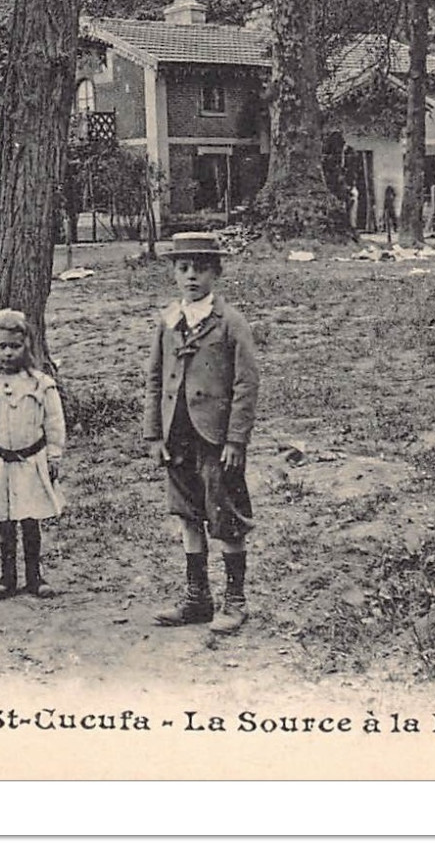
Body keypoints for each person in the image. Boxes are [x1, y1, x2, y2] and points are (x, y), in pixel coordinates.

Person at [144, 231, 259, 634]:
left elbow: (246, 383)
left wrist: (236, 439)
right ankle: (197, 599)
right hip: (177, 436)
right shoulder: (168, 321)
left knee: (226, 517)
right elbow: (156, 379)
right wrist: (154, 435)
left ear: (217, 273)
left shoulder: (230, 323)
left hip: (215, 438)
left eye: (201, 269)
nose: (192, 276)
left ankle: (235, 600)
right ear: (175, 273)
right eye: (184, 268)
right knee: (188, 515)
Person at [0, 308, 66, 600]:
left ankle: (35, 577)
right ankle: (7, 577)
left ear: (27, 348)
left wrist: (54, 455)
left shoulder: (41, 384)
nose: (8, 353)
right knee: (5, 522)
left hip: (31, 463)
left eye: (15, 346)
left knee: (31, 520)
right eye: (2, 347)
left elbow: (54, 421)